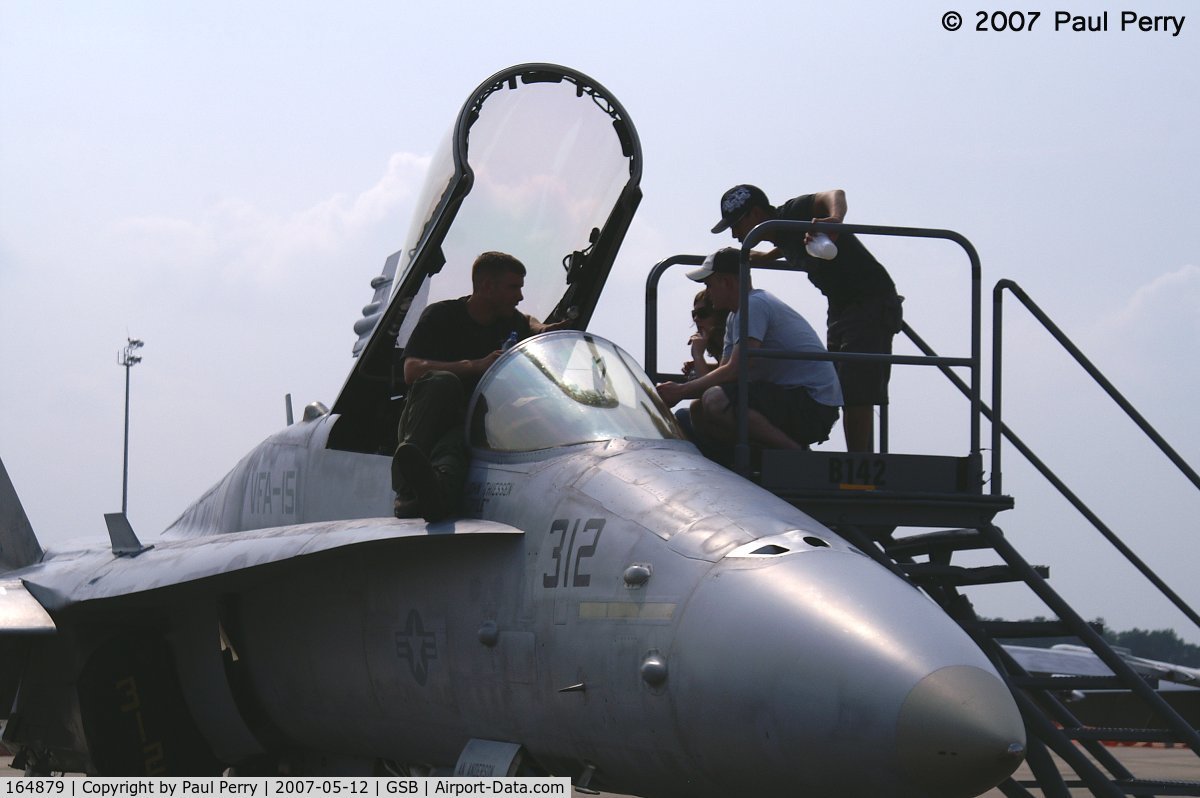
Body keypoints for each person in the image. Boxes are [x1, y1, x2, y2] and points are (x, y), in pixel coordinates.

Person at [711, 184, 903, 453]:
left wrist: (835, 221)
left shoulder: (792, 212)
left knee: (857, 391)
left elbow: (834, 194)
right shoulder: (782, 234)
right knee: (845, 386)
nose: (734, 233)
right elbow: (792, 241)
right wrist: (770, 256)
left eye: (736, 224)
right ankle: (856, 461)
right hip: (841, 307)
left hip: (869, 302)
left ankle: (860, 469)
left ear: (755, 214)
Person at [392, 251, 559, 521]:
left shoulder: (510, 322)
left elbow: (526, 319)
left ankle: (433, 497)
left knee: (454, 450)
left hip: (470, 425)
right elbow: (411, 371)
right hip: (428, 420)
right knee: (443, 383)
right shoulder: (441, 316)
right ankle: (406, 488)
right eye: (513, 287)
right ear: (486, 286)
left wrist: (540, 329)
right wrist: (476, 365)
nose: (519, 296)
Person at [656, 248, 841, 452]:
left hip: (812, 404)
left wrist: (680, 391)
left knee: (715, 400)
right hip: (791, 398)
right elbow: (726, 375)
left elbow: (736, 370)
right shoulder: (735, 316)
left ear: (726, 282)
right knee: (698, 409)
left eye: (709, 285)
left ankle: (796, 454)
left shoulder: (754, 304)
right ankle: (747, 462)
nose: (708, 293)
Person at [683, 289, 725, 380]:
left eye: (702, 313)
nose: (696, 319)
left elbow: (708, 388)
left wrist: (698, 355)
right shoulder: (714, 341)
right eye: (694, 314)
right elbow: (724, 367)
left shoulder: (731, 339)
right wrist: (702, 365)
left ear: (719, 315)